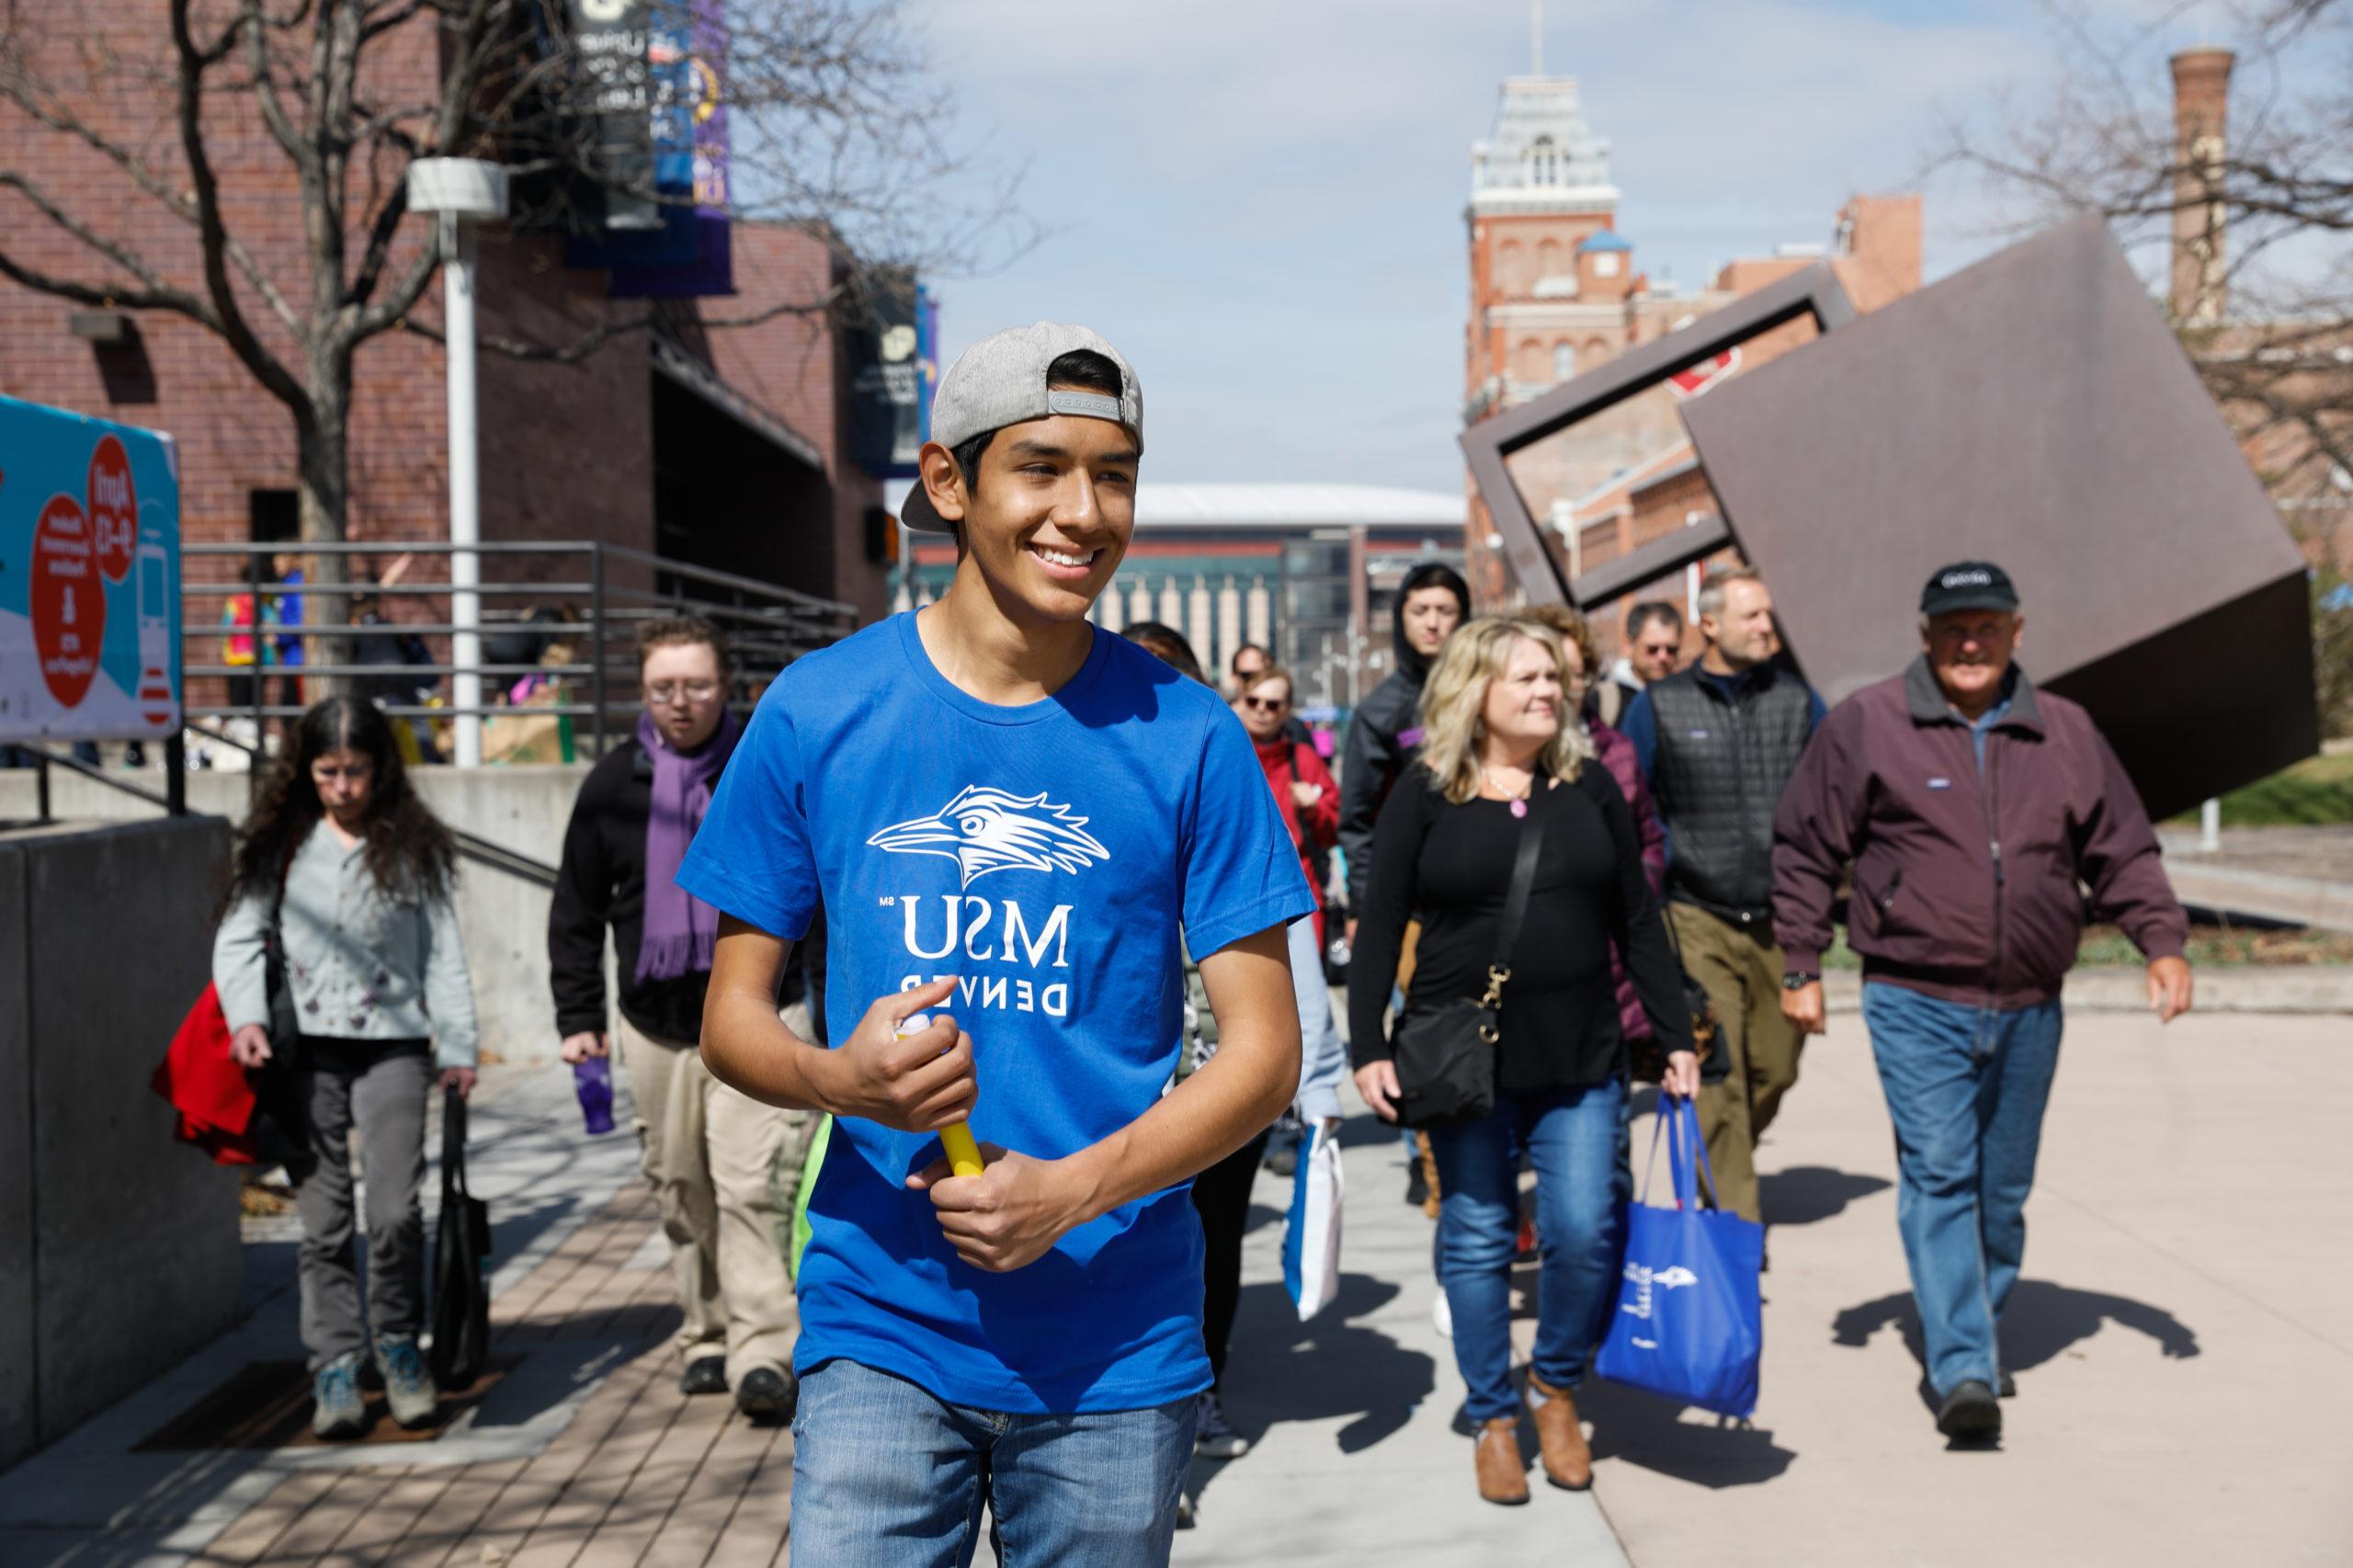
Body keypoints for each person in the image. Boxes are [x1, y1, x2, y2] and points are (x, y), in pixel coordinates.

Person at [682, 323, 1313, 1565]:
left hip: (1115, 1345)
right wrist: (840, 1078)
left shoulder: (1189, 736)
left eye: (1116, 473)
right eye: (1043, 467)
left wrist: (1075, 1189)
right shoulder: (819, 707)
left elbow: (1265, 1055)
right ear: (950, 483)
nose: (1085, 510)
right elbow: (733, 1020)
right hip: (881, 1316)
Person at [1774, 561, 2193, 1442]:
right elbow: (1807, 846)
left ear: (2018, 632)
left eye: (1989, 626)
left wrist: (2161, 942)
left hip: (2031, 1001)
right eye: (1955, 626)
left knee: (2000, 1192)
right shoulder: (1868, 725)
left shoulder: (2066, 732)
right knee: (1939, 1172)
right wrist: (1801, 963)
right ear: (1925, 635)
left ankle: (1972, 1321)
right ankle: (1963, 1362)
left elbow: (2121, 847)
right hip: (1913, 994)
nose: (1972, 642)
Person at [1349, 617, 1699, 1506]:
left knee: (1586, 1231)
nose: (1547, 691)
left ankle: (1554, 1387)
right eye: (1526, 679)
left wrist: (1676, 1035)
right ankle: (1494, 1415)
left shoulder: (1590, 790)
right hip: (1459, 1061)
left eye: (1553, 678)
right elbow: (1379, 919)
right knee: (1475, 1240)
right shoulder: (1425, 791)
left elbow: (1639, 922)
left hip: (1581, 1057)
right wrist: (1365, 1047)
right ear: (1476, 692)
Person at [547, 616, 807, 1420]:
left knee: (751, 1181)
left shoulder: (761, 770)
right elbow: (576, 911)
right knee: (679, 1185)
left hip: (762, 1013)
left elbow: (818, 897)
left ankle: (765, 1347)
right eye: (664, 687)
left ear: (725, 687)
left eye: (697, 685)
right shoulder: (611, 787)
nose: (681, 702)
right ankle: (704, 1332)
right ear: (644, 691)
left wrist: (828, 1010)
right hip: (656, 1024)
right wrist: (578, 1016)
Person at [211, 697, 478, 1439]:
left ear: (379, 768)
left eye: (355, 770)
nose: (342, 787)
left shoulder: (413, 845)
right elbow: (238, 937)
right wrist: (248, 1019)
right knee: (324, 1223)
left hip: (393, 1045)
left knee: (394, 1212)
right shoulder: (282, 844)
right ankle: (333, 1363)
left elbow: (443, 950)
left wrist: (458, 1046)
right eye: (327, 772)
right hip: (305, 1054)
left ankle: (397, 1346)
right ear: (306, 773)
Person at [1125, 623, 1347, 1478]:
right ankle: (1146, 1416)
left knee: (1212, 1243)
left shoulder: (1223, 789)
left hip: (1223, 1081)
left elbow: (1289, 955)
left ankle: (1197, 1386)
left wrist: (1315, 1081)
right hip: (1116, 1087)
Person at [1619, 566, 1824, 1227]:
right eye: (1753, 616)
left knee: (1778, 1066)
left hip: (1781, 920)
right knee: (1721, 1076)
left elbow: (1833, 800)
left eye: (1768, 615)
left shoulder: (1798, 702)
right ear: (1710, 624)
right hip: (1694, 915)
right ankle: (1737, 1225)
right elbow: (1634, 807)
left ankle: (1721, 1160)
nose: (1768, 627)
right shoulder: (1659, 706)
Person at [1336, 562, 1469, 944]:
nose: (1432, 624)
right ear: (1401, 619)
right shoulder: (1379, 710)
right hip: (1413, 903)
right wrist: (1362, 904)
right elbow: (1357, 820)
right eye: (1420, 611)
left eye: (1445, 612)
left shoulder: (1490, 693)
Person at [1233, 663, 1340, 948]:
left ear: (1287, 709)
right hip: (1237, 902)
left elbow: (1335, 830)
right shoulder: (1223, 753)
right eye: (1254, 701)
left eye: (1273, 704)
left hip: (1298, 900)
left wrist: (1313, 809)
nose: (1261, 710)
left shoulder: (1303, 758)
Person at [1596, 600, 1684, 727]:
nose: (1663, 657)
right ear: (1629, 645)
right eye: (1652, 649)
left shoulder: (1687, 697)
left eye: (1671, 650)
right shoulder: (1604, 698)